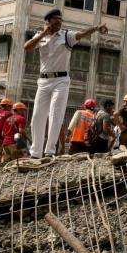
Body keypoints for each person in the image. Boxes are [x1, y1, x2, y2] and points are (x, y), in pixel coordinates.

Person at [23, 9, 107, 158]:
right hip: (43, 81)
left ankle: (49, 151)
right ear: (48, 21)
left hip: (61, 81)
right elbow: (27, 47)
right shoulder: (40, 36)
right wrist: (43, 33)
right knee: (37, 116)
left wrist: (96, 28)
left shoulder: (66, 36)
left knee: (55, 114)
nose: (59, 22)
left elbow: (81, 34)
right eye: (56, 19)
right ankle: (35, 153)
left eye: (60, 20)